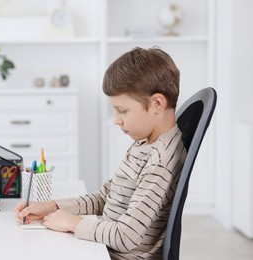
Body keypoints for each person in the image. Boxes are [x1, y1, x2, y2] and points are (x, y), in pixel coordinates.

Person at [14, 47, 187, 259]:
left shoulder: (160, 162)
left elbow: (126, 236)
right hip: (103, 245)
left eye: (122, 110)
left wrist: (73, 223)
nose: (116, 119)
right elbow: (107, 197)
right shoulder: (145, 143)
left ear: (156, 104)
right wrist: (54, 206)